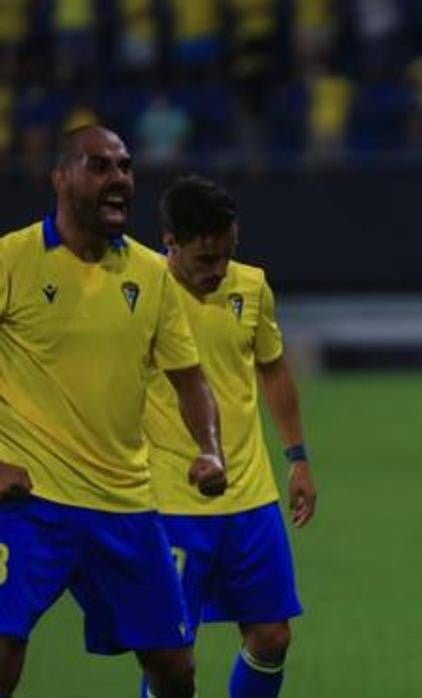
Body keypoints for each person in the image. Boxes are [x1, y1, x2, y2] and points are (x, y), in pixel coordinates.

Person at [0, 126, 226, 698]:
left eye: (124, 167)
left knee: (175, 669)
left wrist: (210, 450)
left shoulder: (152, 274)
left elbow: (191, 380)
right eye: (99, 166)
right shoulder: (12, 260)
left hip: (123, 502)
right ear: (61, 177)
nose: (119, 179)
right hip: (30, 502)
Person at [139, 175, 317, 698]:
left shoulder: (251, 286)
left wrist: (298, 457)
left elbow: (274, 369)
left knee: (272, 635)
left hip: (251, 495)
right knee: (170, 656)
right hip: (169, 498)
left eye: (226, 255)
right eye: (205, 259)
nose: (219, 271)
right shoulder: (140, 291)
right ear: (170, 242)